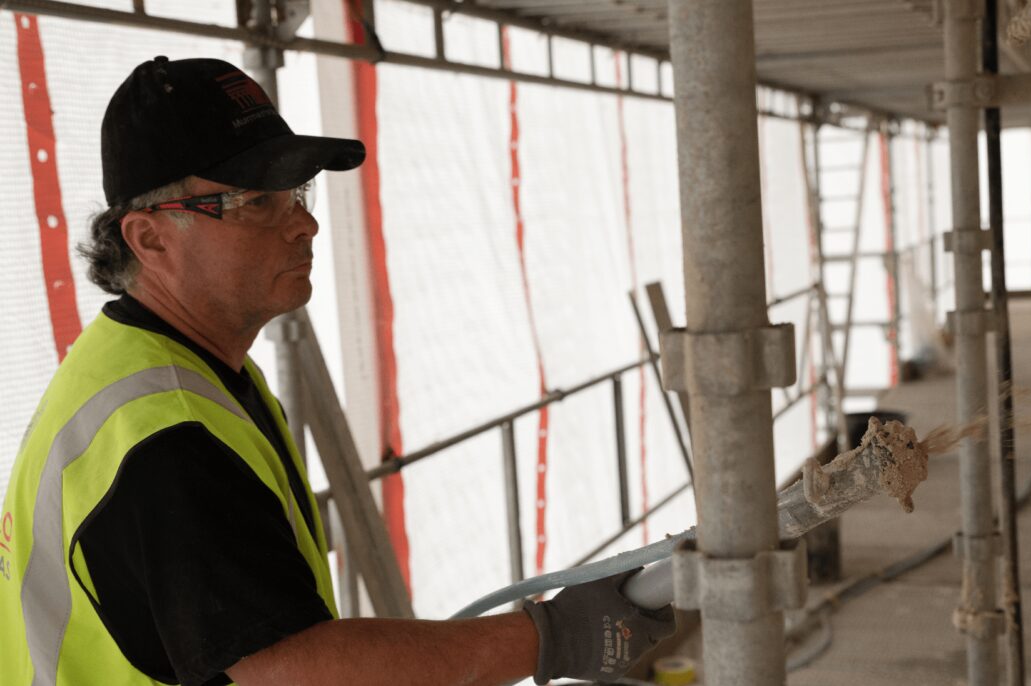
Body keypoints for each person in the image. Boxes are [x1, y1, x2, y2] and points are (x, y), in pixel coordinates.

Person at [0, 56, 674, 686]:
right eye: (256, 201)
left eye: (296, 192)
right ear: (149, 238)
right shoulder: (163, 429)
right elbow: (291, 669)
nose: (304, 225)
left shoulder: (163, 370)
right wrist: (549, 635)